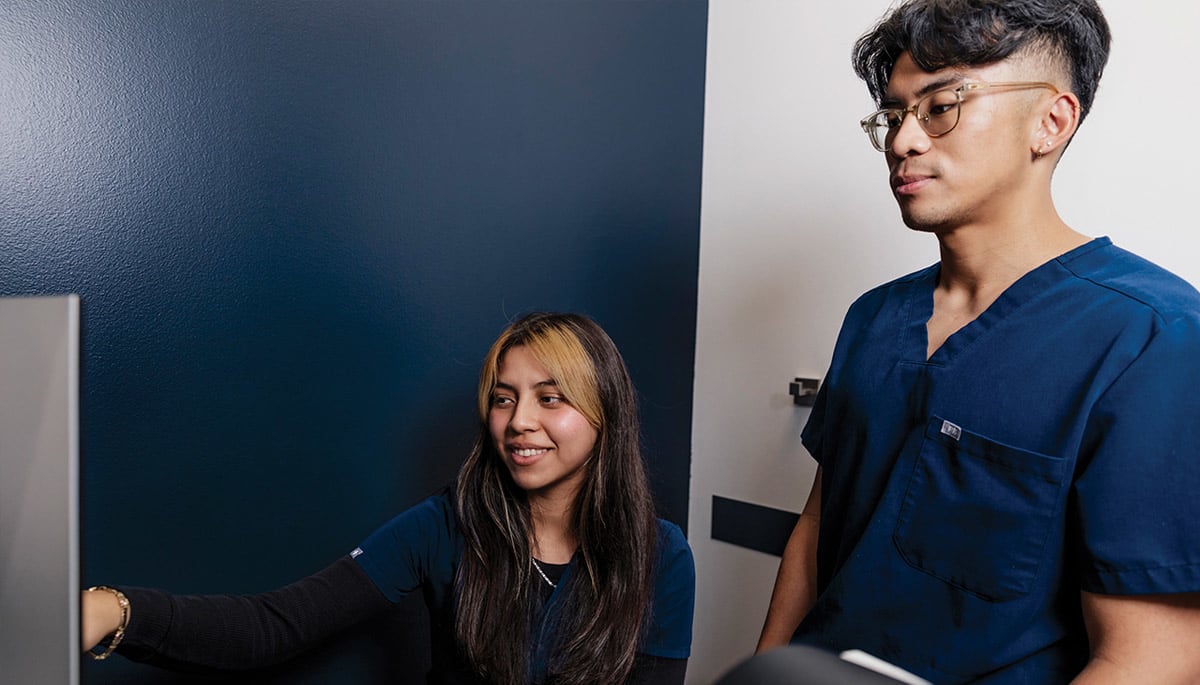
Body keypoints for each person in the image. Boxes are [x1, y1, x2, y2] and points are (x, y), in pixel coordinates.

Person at [756, 1, 1200, 683]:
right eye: (895, 115)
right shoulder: (874, 319)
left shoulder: (1150, 336)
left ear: (1051, 120)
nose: (903, 140)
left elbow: (1154, 657)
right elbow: (815, 536)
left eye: (940, 106)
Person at [82, 312, 695, 685]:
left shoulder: (660, 556)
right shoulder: (445, 527)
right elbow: (273, 626)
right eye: (504, 398)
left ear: (604, 414)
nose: (518, 422)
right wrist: (116, 611)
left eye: (550, 398)